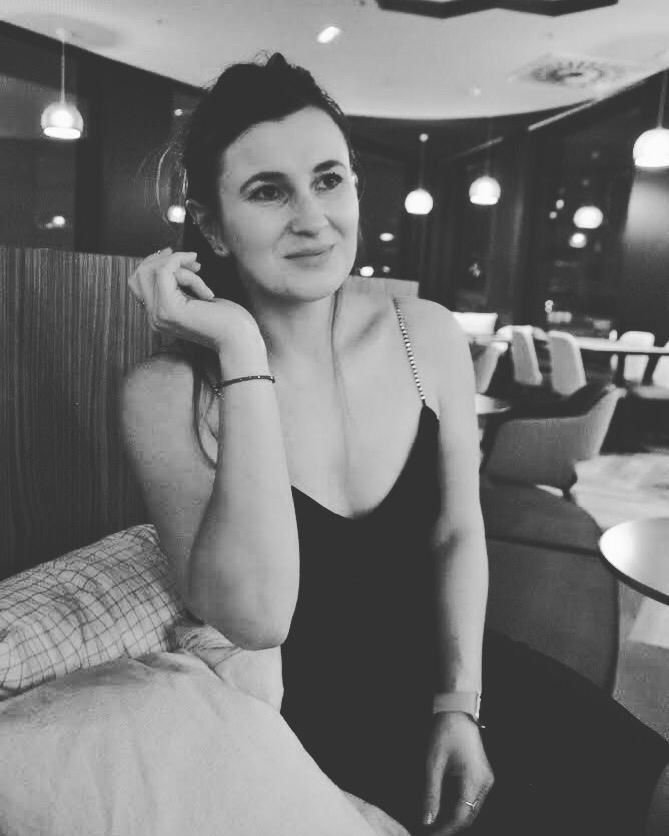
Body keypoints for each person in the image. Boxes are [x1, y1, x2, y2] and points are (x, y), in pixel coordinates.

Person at [122, 53, 668, 836]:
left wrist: (459, 706)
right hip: (321, 723)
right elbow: (256, 618)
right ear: (211, 224)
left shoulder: (425, 334)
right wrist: (240, 351)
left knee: (643, 783)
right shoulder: (167, 394)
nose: (311, 217)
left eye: (329, 179)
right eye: (268, 191)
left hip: (457, 673)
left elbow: (456, 532)